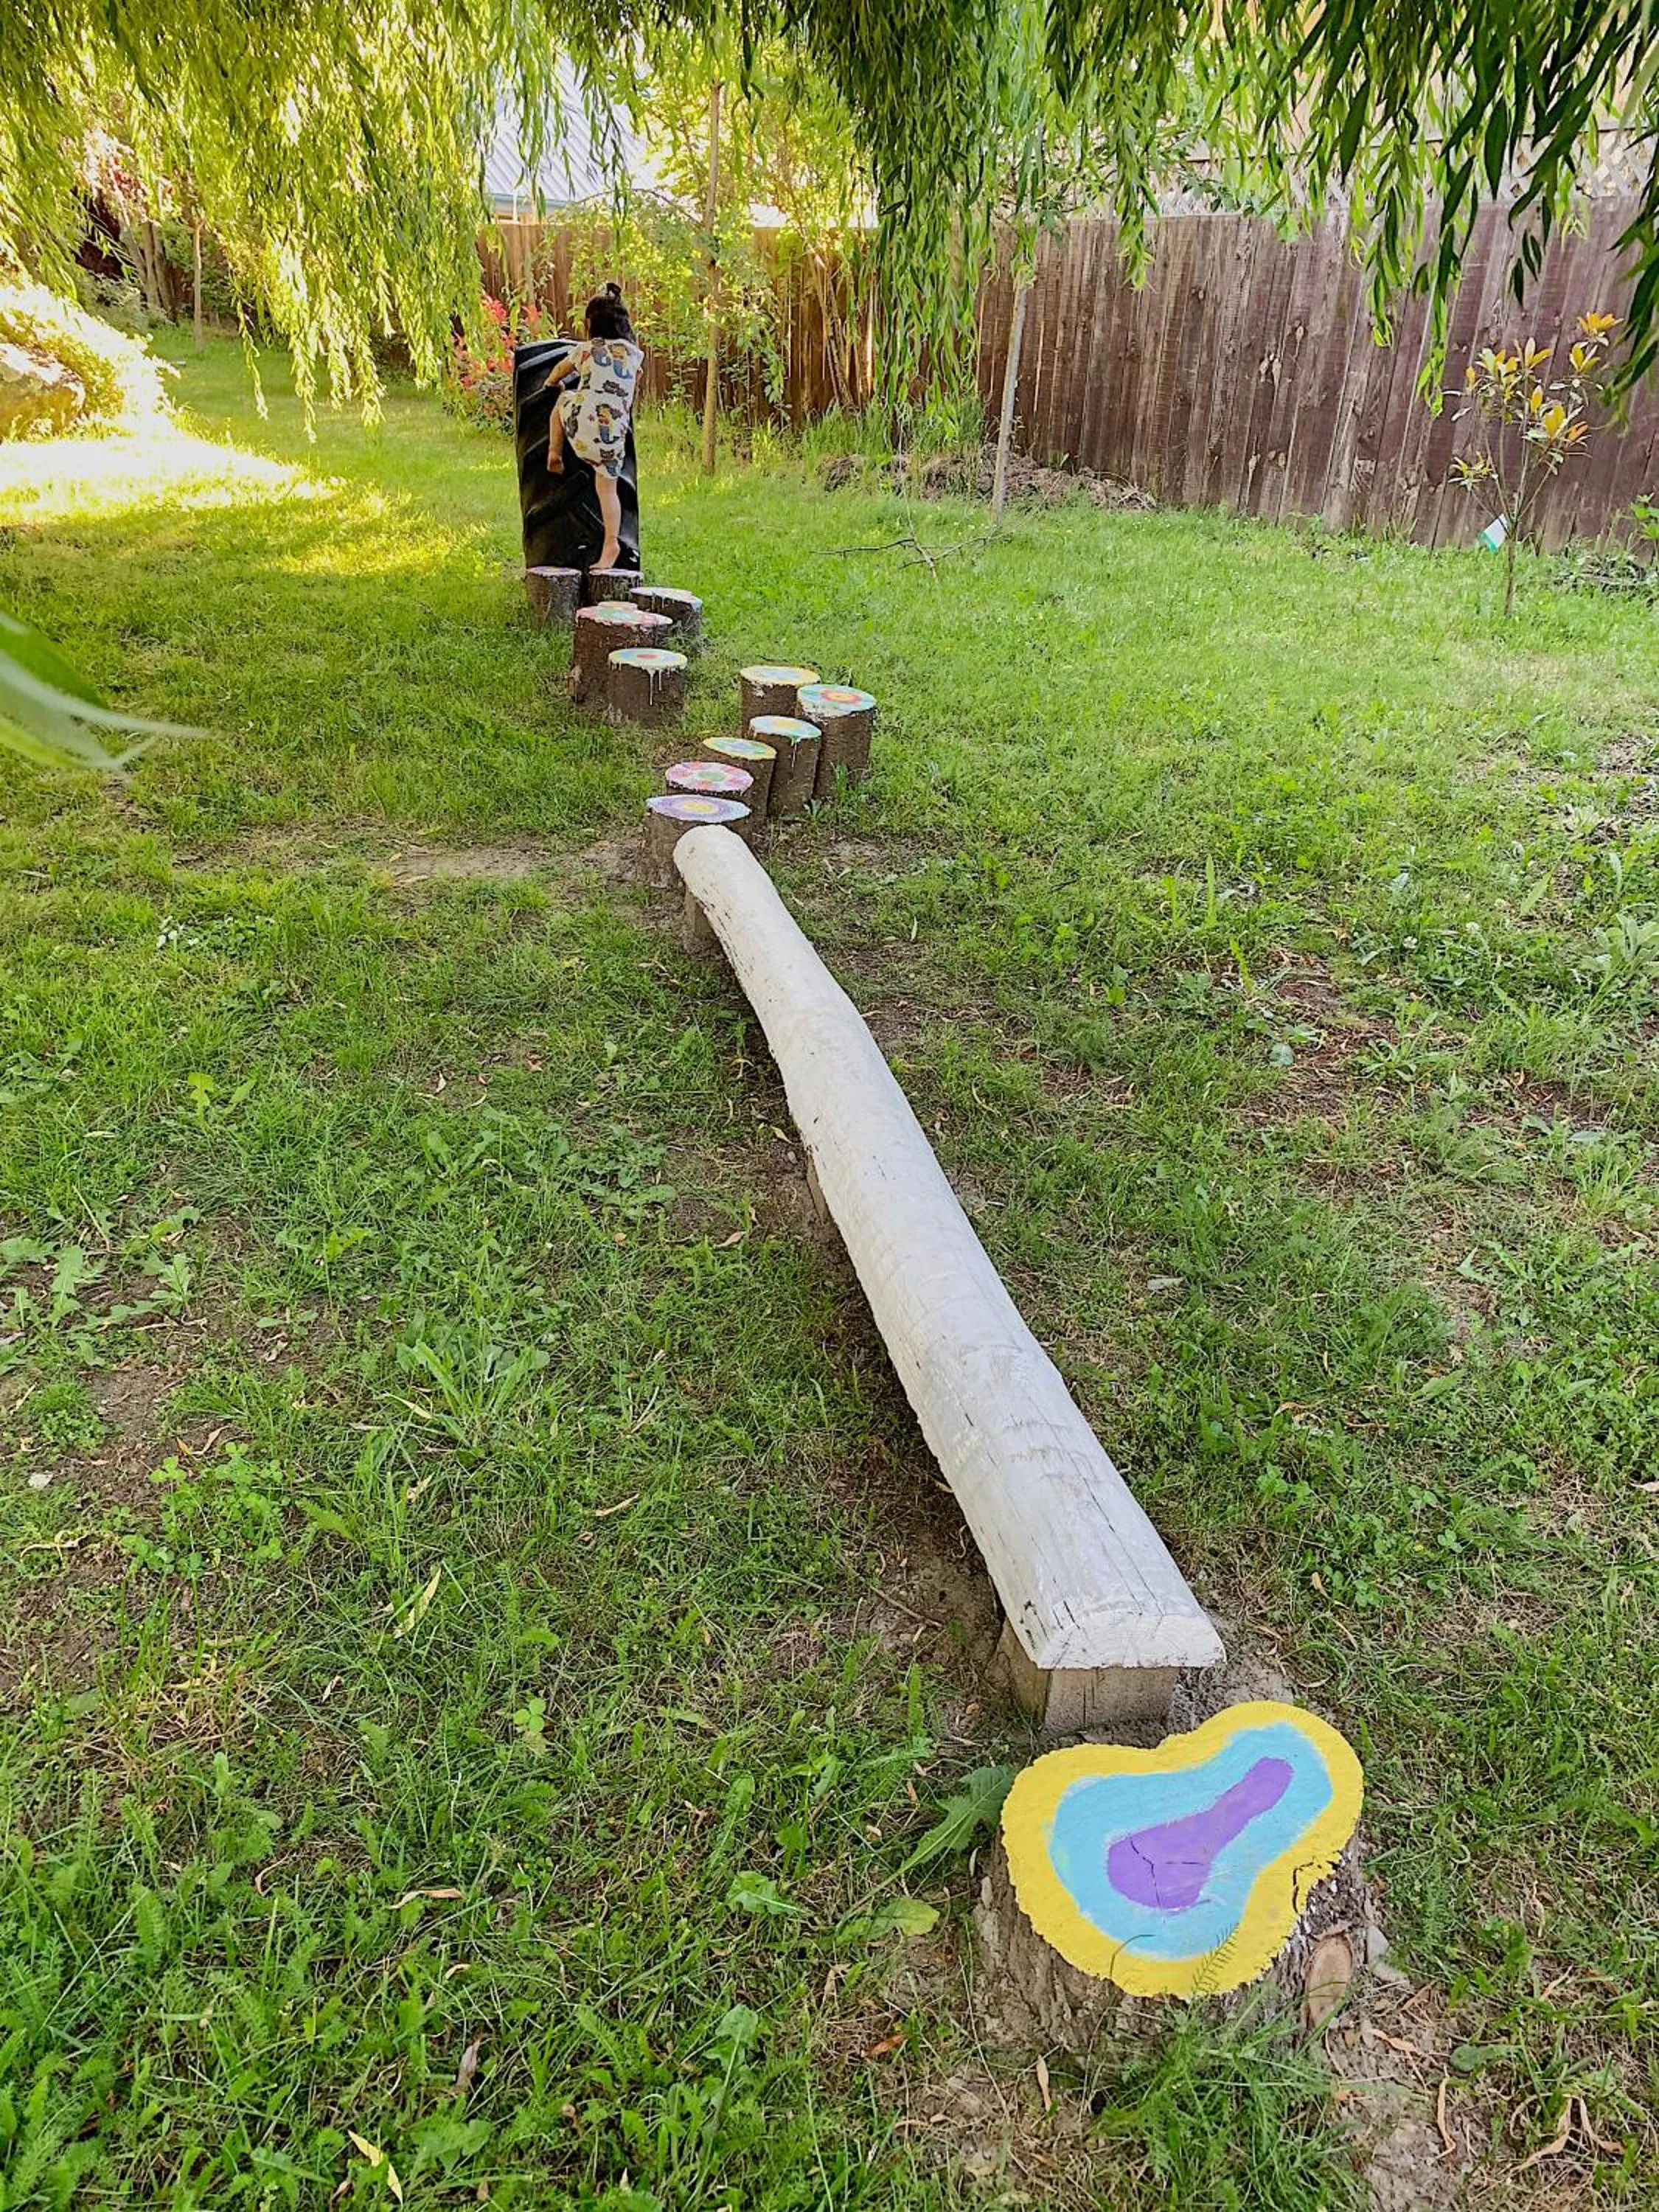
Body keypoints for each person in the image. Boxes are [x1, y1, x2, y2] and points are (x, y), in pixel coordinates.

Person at [543, 284, 644, 573]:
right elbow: (633, 380)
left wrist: (551, 383)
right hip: (612, 440)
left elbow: (562, 370)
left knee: (563, 399)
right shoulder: (634, 355)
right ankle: (612, 542)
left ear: (589, 325)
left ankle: (554, 453)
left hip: (581, 431)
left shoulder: (586, 350)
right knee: (608, 490)